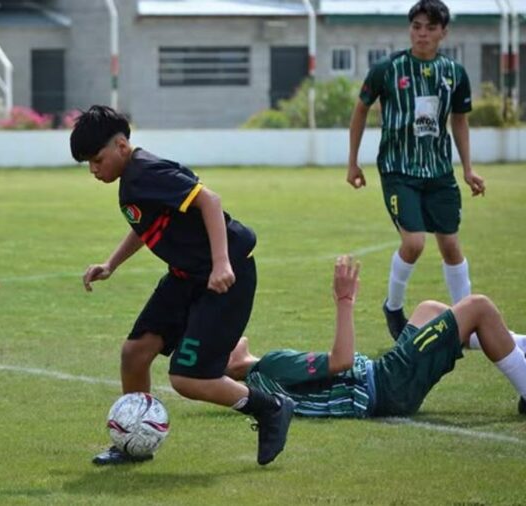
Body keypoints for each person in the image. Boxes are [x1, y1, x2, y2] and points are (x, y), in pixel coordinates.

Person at [70, 105, 295, 466]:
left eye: (97, 160)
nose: (94, 170)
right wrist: (111, 263)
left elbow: (210, 200)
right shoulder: (133, 180)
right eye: (88, 165)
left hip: (225, 276)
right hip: (185, 276)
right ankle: (132, 441)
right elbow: (148, 224)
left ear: (122, 145)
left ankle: (270, 407)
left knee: (188, 379)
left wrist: (221, 263)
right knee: (135, 353)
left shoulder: (146, 171)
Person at [225, 255, 526, 418]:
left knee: (429, 310)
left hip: (381, 384)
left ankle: (518, 349)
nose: (225, 336)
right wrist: (345, 301)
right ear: (227, 366)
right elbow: (341, 361)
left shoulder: (260, 384)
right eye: (221, 348)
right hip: (386, 384)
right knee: (479, 307)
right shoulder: (270, 366)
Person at [347, 0, 486, 341]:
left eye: (430, 28)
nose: (422, 34)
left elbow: (460, 121)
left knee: (451, 245)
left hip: (439, 173)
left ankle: (463, 320)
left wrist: (467, 169)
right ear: (410, 29)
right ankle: (393, 308)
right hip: (398, 169)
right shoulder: (388, 69)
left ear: (443, 32)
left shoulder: (454, 73)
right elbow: (361, 110)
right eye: (417, 26)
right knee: (414, 243)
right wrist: (352, 161)